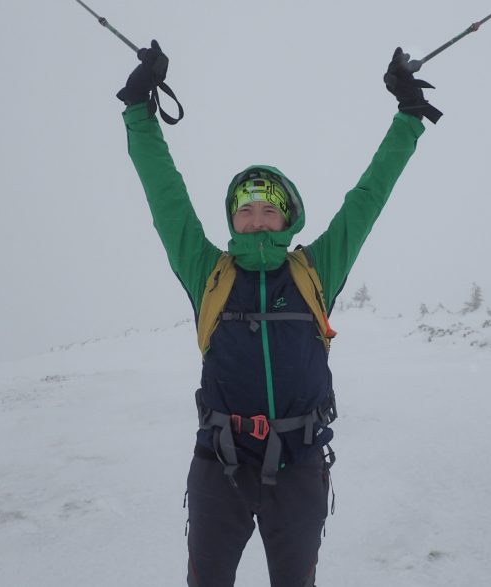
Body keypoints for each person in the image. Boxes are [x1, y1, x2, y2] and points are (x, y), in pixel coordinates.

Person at [117, 40, 441, 587]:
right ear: (233, 218)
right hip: (220, 466)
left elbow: (367, 198)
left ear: (288, 216)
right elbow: (165, 195)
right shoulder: (208, 272)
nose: (258, 217)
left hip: (301, 465)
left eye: (270, 207)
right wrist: (138, 112)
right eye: (246, 208)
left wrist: (409, 116)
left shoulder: (314, 270)